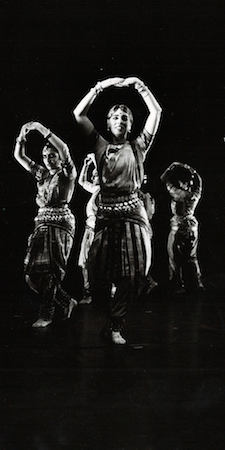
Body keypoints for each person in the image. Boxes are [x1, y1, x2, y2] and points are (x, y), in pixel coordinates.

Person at [73, 76, 162, 344]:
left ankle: (115, 324)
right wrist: (100, 86)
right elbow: (79, 114)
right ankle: (107, 317)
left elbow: (156, 112)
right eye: (116, 117)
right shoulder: (99, 145)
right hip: (106, 213)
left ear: (131, 124)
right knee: (97, 274)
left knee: (135, 272)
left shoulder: (139, 146)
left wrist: (140, 87)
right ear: (108, 123)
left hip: (133, 212)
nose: (121, 120)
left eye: (125, 117)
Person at [14, 121, 78, 328]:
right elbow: (19, 156)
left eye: (52, 156)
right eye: (45, 156)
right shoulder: (42, 174)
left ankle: (47, 313)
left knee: (50, 271)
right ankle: (67, 301)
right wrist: (22, 137)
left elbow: (65, 148)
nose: (48, 160)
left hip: (60, 223)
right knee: (33, 272)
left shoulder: (68, 174)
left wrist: (41, 130)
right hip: (41, 224)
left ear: (60, 158)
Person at [160, 162, 204, 294]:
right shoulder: (194, 195)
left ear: (184, 184)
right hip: (192, 227)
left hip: (178, 228)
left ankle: (177, 285)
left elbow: (164, 180)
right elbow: (199, 183)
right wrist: (194, 172)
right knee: (192, 257)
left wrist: (172, 167)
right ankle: (197, 284)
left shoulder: (178, 193)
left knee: (174, 257)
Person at [77, 153, 99, 305]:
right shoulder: (95, 189)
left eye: (96, 175)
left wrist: (96, 162)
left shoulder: (107, 189)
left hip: (101, 232)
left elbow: (107, 174)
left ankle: (111, 292)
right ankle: (87, 293)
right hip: (89, 231)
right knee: (85, 262)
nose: (93, 177)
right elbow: (81, 181)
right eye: (93, 175)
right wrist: (86, 165)